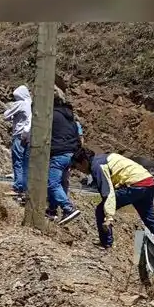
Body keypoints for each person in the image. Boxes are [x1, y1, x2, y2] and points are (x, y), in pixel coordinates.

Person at [71, 147, 154, 266]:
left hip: (134, 186)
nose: (80, 171)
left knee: (100, 210)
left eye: (77, 167)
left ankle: (106, 244)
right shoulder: (106, 157)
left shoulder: (97, 166)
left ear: (84, 162)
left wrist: (108, 217)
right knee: (151, 222)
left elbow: (107, 194)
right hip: (148, 182)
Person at [47, 86, 83, 224]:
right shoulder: (71, 120)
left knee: (52, 183)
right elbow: (78, 138)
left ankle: (68, 208)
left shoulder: (52, 116)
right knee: (62, 183)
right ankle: (52, 210)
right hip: (71, 155)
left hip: (59, 154)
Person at [3, 85, 32, 198]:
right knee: (26, 164)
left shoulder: (20, 103)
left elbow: (6, 116)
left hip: (19, 135)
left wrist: (11, 111)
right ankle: (25, 188)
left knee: (17, 162)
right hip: (29, 137)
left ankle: (18, 187)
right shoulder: (31, 103)